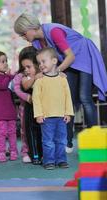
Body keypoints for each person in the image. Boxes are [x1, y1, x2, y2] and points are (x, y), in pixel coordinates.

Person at [14, 13, 107, 153]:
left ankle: (93, 139)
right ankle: (67, 142)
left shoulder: (54, 31)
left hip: (82, 55)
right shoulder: (36, 42)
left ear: (30, 28)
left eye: (23, 33)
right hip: (68, 63)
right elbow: (47, 62)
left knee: (84, 97)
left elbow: (70, 56)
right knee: (67, 99)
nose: (23, 37)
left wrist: (56, 72)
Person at [32, 47, 74, 170]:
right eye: (39, 63)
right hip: (46, 117)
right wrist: (38, 114)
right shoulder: (39, 80)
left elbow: (68, 97)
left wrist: (68, 113)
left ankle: (61, 160)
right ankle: (49, 161)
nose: (41, 65)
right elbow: (36, 98)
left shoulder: (63, 79)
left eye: (43, 61)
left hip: (61, 116)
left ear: (54, 61)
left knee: (61, 140)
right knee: (48, 141)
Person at [12, 46, 43, 164]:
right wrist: (28, 98)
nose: (26, 69)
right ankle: (26, 151)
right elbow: (17, 90)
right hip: (25, 108)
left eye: (29, 66)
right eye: (23, 67)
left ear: (36, 64)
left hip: (41, 108)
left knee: (41, 130)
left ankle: (42, 151)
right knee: (25, 130)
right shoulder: (21, 76)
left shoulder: (42, 74)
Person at [0, 51, 18, 162]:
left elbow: (16, 81)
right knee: (2, 133)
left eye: (6, 61)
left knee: (12, 132)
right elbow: (2, 85)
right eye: (2, 62)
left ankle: (13, 150)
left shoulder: (8, 77)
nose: (5, 63)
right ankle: (1, 151)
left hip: (10, 110)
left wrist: (12, 76)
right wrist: (9, 76)